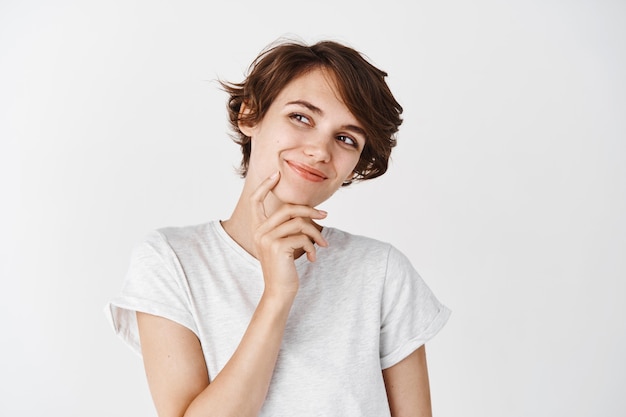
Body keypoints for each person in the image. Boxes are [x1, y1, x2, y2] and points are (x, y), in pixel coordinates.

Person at [106, 38, 450, 417]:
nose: (321, 150)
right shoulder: (171, 261)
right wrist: (277, 295)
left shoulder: (381, 272)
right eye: (301, 117)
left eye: (345, 138)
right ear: (250, 115)